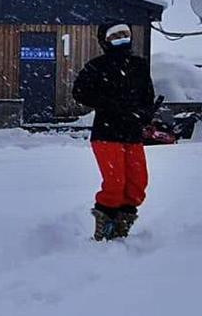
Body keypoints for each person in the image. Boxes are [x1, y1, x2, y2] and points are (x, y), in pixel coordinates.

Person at [71, 23, 157, 241]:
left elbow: (147, 96)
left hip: (132, 134)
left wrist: (144, 114)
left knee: (138, 183)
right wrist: (111, 105)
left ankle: (122, 225)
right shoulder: (96, 66)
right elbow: (79, 92)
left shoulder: (139, 65)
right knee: (115, 183)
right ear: (105, 40)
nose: (122, 38)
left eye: (125, 34)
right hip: (106, 134)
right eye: (116, 35)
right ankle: (104, 226)